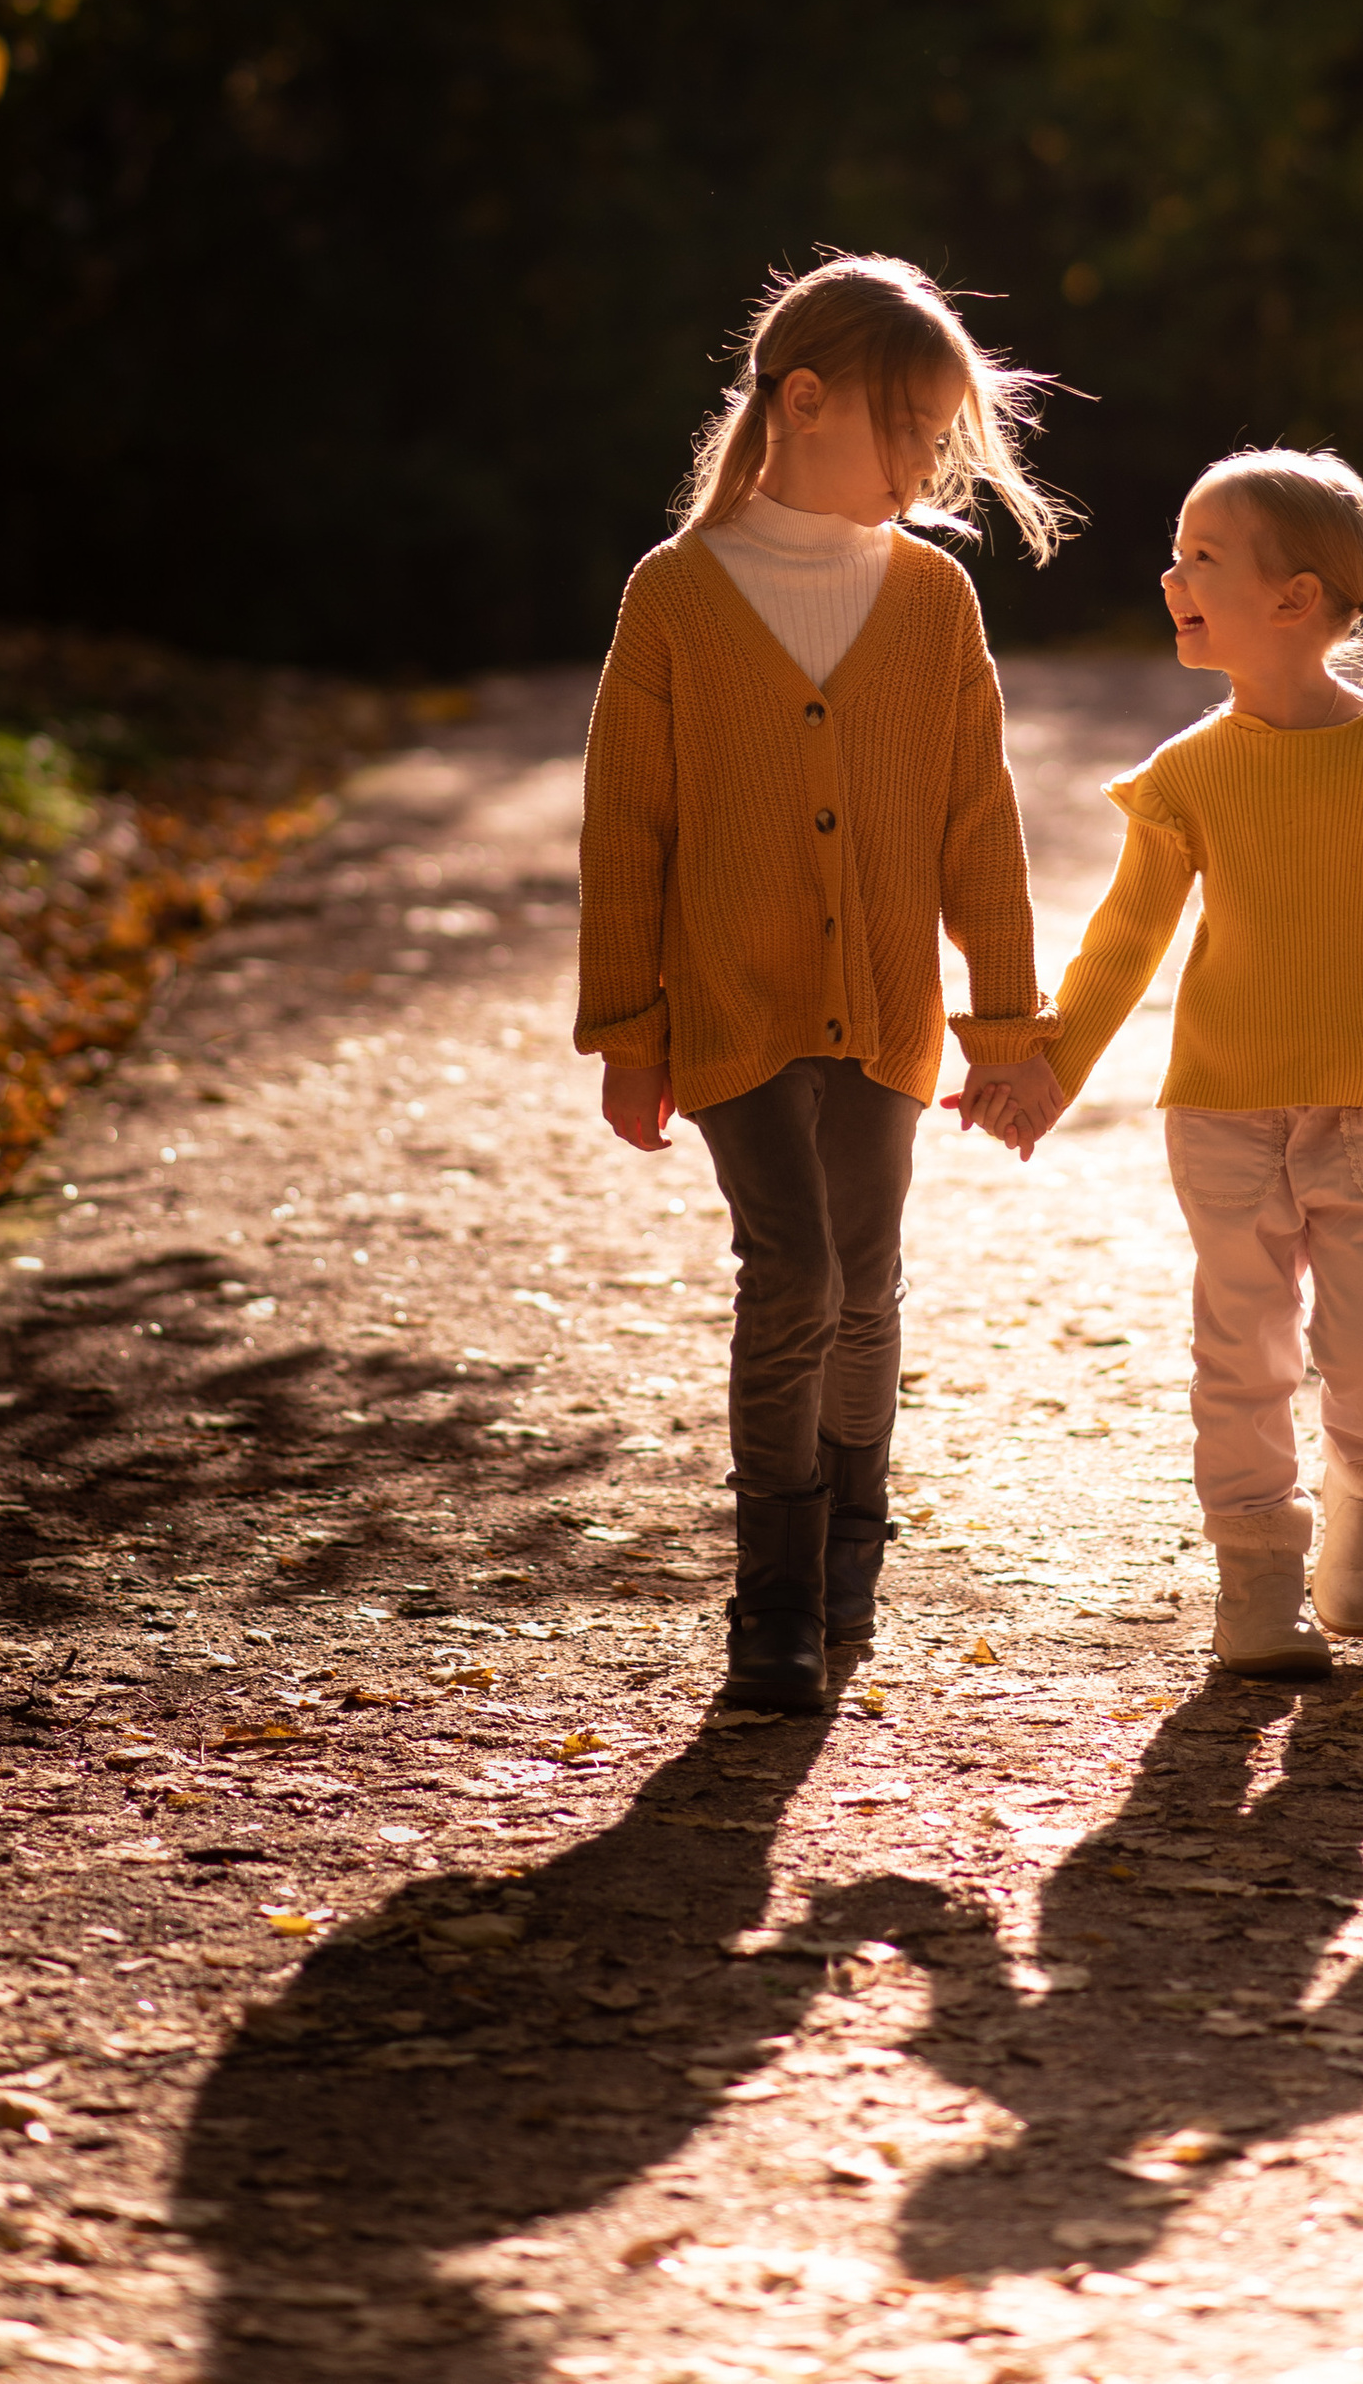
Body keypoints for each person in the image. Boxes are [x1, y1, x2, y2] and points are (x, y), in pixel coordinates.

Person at [576, 252, 1070, 1713]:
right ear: (803, 400)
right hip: (729, 1005)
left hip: (889, 1009)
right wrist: (627, 1028)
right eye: (907, 427)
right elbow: (626, 826)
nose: (927, 461)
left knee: (865, 1281)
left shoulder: (933, 600)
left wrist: (1006, 1024)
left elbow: (979, 823)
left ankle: (855, 1539)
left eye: (939, 434)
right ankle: (775, 1596)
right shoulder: (674, 594)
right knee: (791, 1271)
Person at [963, 447, 1363, 1681]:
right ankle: (1258, 1578)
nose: (1170, 577)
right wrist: (1046, 1072)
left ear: (1294, 597)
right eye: (1177, 555)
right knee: (1241, 1353)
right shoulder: (1186, 773)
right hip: (1221, 1113)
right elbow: (1122, 942)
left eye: (1201, 557)